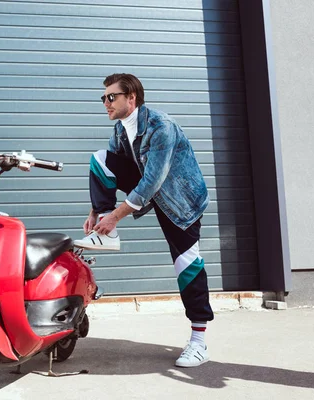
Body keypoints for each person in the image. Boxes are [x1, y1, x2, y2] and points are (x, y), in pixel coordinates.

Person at [73, 73, 214, 368]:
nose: (106, 103)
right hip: (151, 191)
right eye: (104, 98)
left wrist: (114, 217)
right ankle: (105, 233)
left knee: (187, 264)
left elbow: (152, 181)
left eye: (112, 97)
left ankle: (198, 342)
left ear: (132, 98)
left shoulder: (161, 126)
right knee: (99, 159)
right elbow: (110, 170)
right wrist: (95, 213)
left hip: (180, 201)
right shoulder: (121, 130)